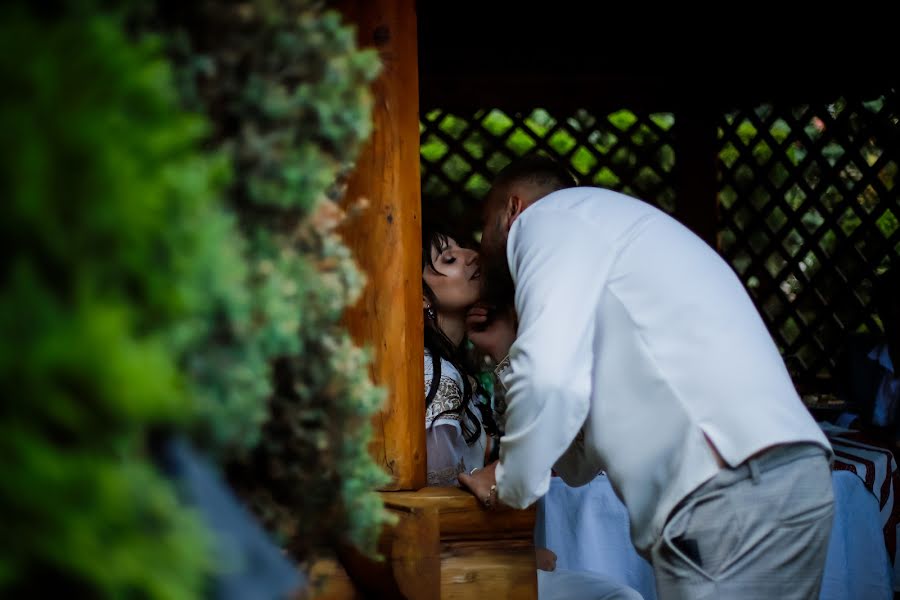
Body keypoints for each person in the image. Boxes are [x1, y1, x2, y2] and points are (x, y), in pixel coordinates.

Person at [459, 155, 834, 599]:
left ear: (513, 210)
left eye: (483, 225)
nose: (480, 248)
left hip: (726, 490)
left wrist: (508, 481)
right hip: (776, 478)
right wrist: (506, 352)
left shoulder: (548, 220)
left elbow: (547, 380)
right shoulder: (607, 245)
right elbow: (577, 464)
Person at [422, 226, 642, 600]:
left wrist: (503, 347)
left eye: (464, 249)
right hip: (449, 570)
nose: (471, 255)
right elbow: (438, 485)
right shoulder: (432, 371)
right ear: (420, 297)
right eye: (449, 259)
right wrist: (505, 553)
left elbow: (539, 436)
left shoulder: (462, 370)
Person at [834, 268, 900, 448]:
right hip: (857, 459)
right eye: (891, 306)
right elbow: (832, 408)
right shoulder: (857, 354)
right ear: (882, 312)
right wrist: (862, 430)